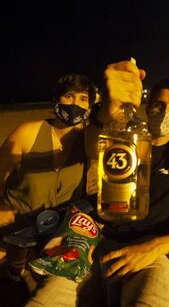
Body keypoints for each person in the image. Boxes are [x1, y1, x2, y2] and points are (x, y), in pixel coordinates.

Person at [24, 60, 169, 306]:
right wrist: (107, 109)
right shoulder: (123, 137)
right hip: (96, 241)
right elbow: (93, 143)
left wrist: (156, 246)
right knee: (45, 300)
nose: (165, 113)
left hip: (157, 250)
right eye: (159, 105)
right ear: (147, 107)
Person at [0, 74, 97, 294]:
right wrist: (2, 206)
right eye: (69, 96)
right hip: (17, 223)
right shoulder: (27, 132)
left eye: (83, 99)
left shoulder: (89, 142)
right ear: (56, 100)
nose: (75, 104)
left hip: (58, 228)